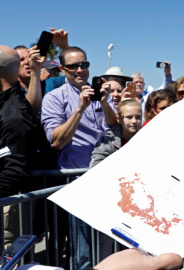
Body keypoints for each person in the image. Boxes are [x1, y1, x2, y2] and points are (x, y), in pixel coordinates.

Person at [41, 46, 117, 270]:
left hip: (107, 182)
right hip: (77, 185)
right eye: (73, 66)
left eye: (84, 65)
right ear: (63, 69)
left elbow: (113, 125)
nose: (80, 70)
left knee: (107, 250)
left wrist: (104, 102)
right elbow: (56, 141)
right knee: (82, 253)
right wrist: (79, 110)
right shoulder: (54, 98)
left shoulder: (101, 94)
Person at [0, 45, 55, 251]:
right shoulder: (9, 105)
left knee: (11, 257)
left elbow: (15, 171)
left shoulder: (15, 115)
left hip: (10, 205)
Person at [90, 99, 143, 261]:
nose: (134, 121)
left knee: (137, 250)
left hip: (139, 205)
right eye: (129, 117)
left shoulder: (148, 137)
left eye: (138, 117)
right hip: (112, 203)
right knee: (105, 249)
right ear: (119, 119)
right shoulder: (107, 139)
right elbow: (95, 166)